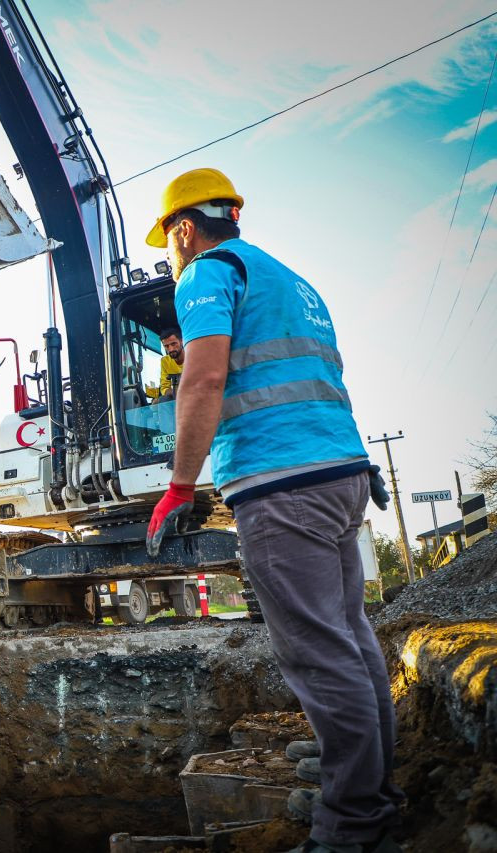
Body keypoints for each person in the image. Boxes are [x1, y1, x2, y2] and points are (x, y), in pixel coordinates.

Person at [143, 168, 402, 853]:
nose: (171, 255)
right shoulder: (292, 281)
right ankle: (372, 783)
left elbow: (203, 378)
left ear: (184, 229)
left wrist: (180, 484)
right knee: (349, 637)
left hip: (280, 483)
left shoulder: (204, 273)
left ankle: (352, 827)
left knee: (318, 653)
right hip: (340, 473)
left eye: (170, 242)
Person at [157, 328, 184, 399]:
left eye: (173, 344)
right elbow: (164, 387)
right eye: (166, 346)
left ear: (181, 342)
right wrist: (177, 393)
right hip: (177, 398)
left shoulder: (193, 357)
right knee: (162, 399)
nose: (171, 349)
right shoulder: (165, 361)